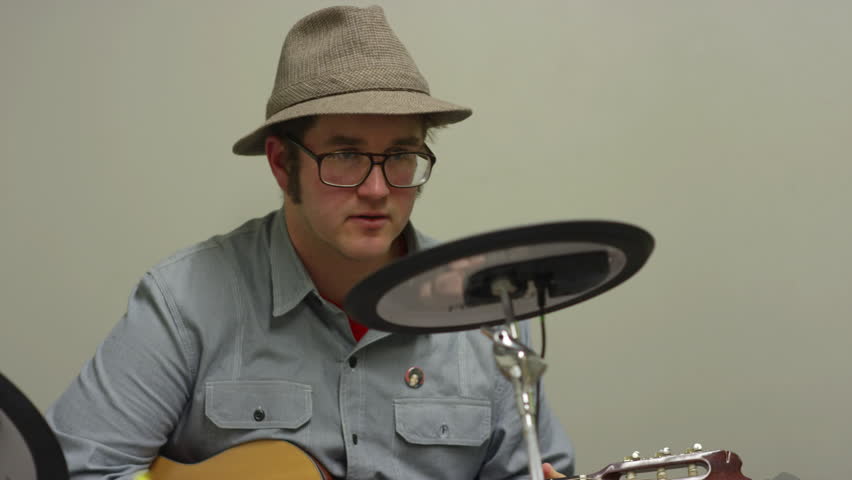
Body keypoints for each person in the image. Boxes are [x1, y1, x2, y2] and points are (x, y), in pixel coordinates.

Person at [46, 5, 574, 479]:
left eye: (400, 156)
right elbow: (74, 469)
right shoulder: (184, 301)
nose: (376, 189)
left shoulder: (486, 308)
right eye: (344, 155)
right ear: (283, 163)